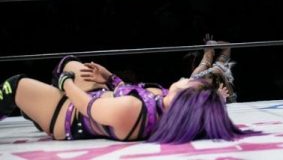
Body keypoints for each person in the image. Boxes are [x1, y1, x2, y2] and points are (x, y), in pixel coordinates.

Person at [0, 41, 248, 144]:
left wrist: (66, 84)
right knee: (70, 63)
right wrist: (109, 78)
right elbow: (132, 92)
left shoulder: (132, 111)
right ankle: (33, 110)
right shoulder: (163, 105)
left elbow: (88, 107)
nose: (185, 78)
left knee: (14, 85)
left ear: (185, 99)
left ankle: (37, 111)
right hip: (98, 98)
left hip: (70, 115)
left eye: (189, 82)